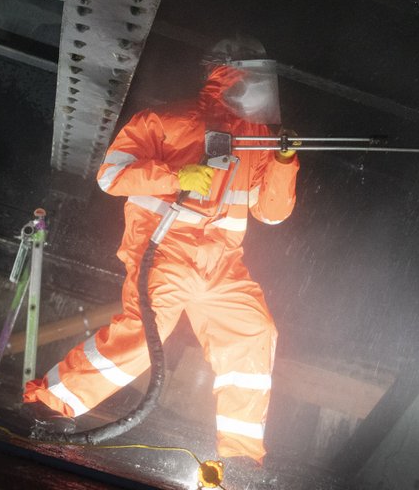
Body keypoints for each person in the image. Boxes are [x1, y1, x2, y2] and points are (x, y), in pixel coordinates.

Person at [23, 35, 300, 465]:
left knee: (253, 334)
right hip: (165, 251)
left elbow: (271, 214)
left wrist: (285, 164)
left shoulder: (259, 140)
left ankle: (241, 458)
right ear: (226, 74)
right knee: (141, 335)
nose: (261, 87)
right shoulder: (167, 119)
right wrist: (176, 176)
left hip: (223, 265)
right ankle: (52, 405)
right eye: (251, 76)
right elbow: (110, 177)